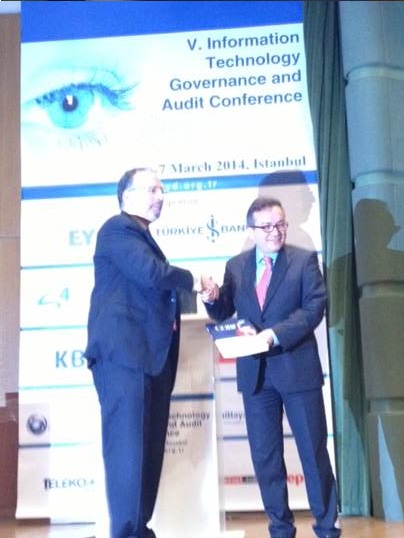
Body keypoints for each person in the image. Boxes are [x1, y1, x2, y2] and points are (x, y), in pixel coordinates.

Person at [201, 196, 341, 538]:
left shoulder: (304, 261)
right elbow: (225, 311)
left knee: (313, 453)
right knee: (266, 458)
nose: (274, 232)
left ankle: (326, 527)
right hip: (256, 377)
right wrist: (212, 299)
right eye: (266, 226)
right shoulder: (236, 266)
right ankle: (280, 528)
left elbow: (314, 308)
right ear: (251, 230)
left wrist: (273, 335)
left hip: (298, 371)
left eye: (280, 224)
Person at [84, 167, 195, 538]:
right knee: (128, 452)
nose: (160, 197)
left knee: (148, 452)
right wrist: (194, 281)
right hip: (123, 358)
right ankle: (127, 532)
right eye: (152, 189)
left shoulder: (142, 237)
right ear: (127, 196)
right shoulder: (116, 229)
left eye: (162, 190)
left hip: (149, 359)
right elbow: (152, 274)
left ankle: (139, 530)